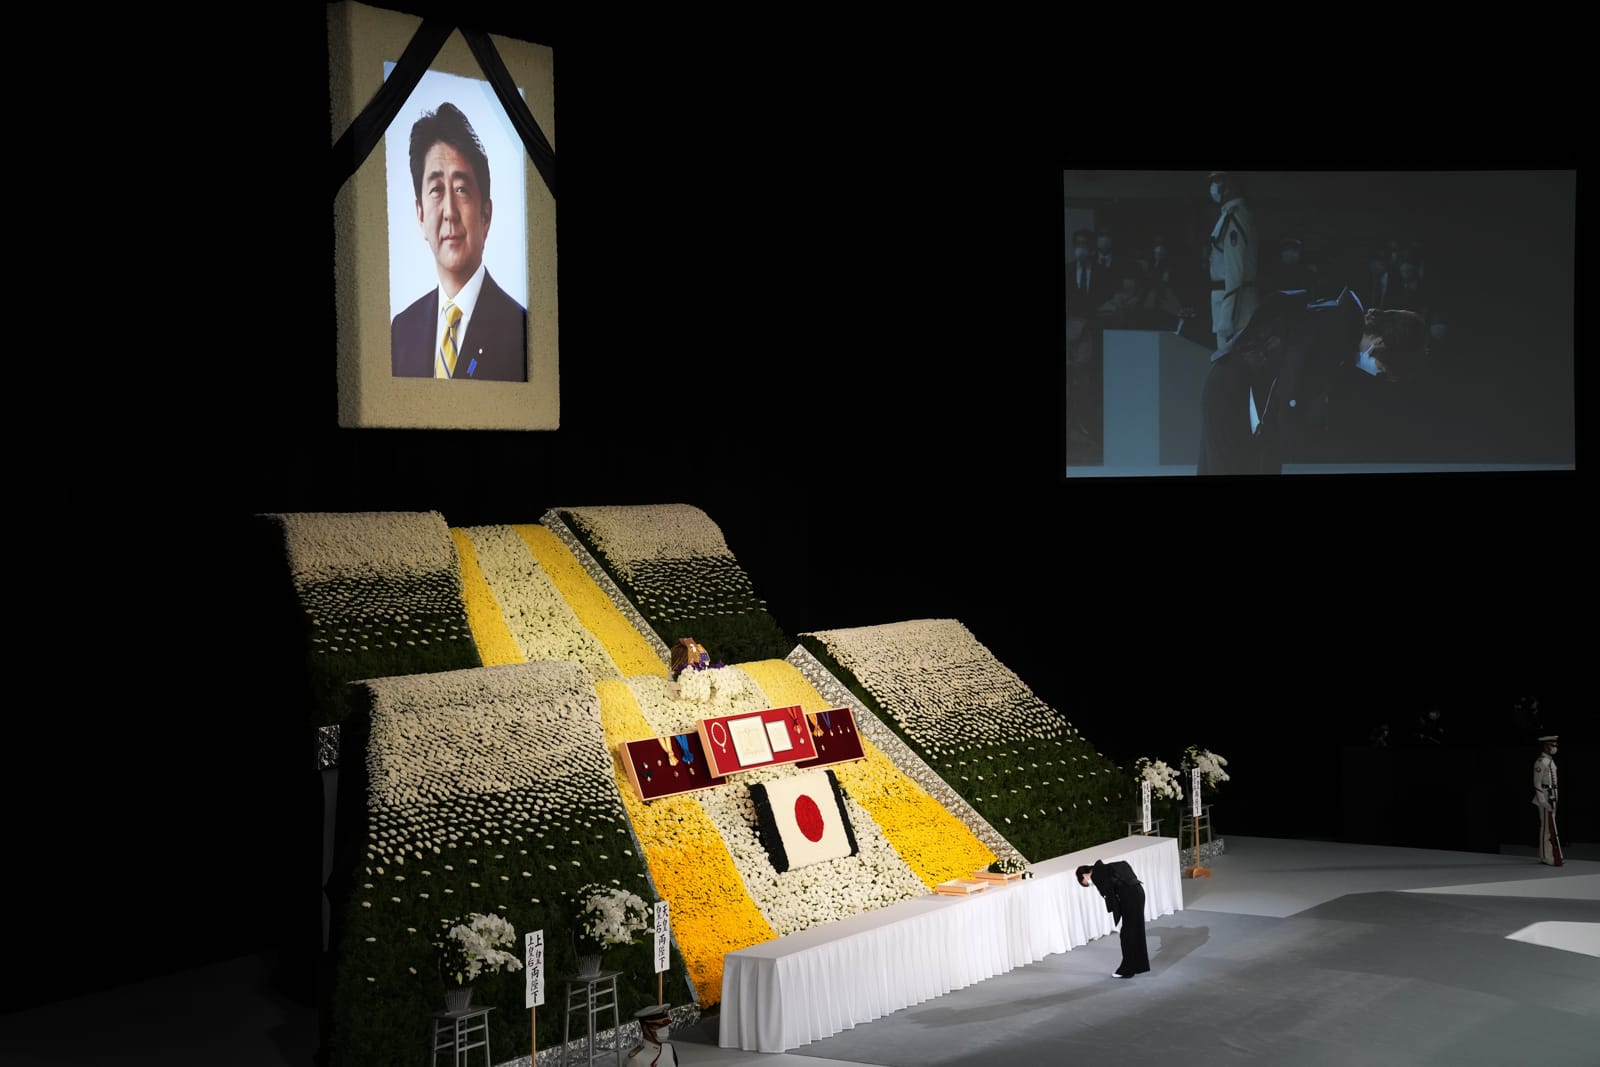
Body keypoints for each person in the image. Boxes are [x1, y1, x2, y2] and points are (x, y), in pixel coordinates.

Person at [1196, 286, 1431, 475]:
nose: (1375, 373)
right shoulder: (1334, 331)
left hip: (1236, 387)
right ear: (1380, 344)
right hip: (1235, 392)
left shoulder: (1338, 327)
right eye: (1381, 369)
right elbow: (1284, 379)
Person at [391, 102, 527, 381]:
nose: (450, 212)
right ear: (420, 215)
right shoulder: (401, 331)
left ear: (485, 214)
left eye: (461, 189)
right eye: (437, 190)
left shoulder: (523, 331)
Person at [1206, 171, 1260, 355]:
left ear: (1230, 184)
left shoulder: (1236, 216)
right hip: (1229, 302)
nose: (1214, 186)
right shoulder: (1230, 214)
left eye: (1217, 181)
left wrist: (1228, 317)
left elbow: (1235, 270)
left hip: (1236, 310)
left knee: (1232, 366)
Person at [1077, 860, 1150, 978]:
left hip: (1130, 898)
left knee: (1127, 935)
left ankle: (1128, 969)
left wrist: (1117, 914)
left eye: (1087, 883)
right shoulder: (1108, 867)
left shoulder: (1097, 874)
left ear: (1085, 875)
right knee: (1135, 931)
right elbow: (1125, 866)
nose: (1090, 884)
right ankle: (1135, 966)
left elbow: (1110, 898)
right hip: (1138, 892)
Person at [1532, 735, 1563, 866]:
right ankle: (1545, 856)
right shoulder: (1541, 761)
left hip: (1552, 795)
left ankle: (1552, 853)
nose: (1555, 748)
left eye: (1555, 745)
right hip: (1545, 796)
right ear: (1546, 746)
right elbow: (1537, 783)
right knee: (1546, 828)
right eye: (1553, 745)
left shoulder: (1550, 761)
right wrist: (1542, 800)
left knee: (1551, 827)